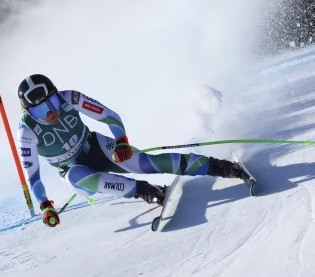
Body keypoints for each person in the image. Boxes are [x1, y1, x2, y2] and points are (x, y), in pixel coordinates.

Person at [17, 74, 244, 227]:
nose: (50, 113)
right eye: (40, 111)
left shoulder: (69, 98)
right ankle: (144, 191)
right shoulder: (27, 131)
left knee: (145, 163)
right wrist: (45, 205)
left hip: (95, 146)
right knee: (76, 176)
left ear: (58, 96)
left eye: (52, 103)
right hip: (74, 173)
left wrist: (121, 141)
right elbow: (33, 176)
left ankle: (219, 166)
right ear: (29, 112)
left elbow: (110, 116)